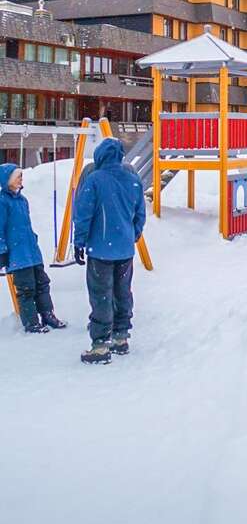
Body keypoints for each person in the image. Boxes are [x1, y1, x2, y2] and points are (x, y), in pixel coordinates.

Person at [73, 137, 146, 365]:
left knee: (101, 294)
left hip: (101, 249)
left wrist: (79, 242)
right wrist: (132, 234)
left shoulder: (94, 180)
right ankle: (121, 337)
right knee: (123, 292)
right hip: (125, 249)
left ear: (100, 156)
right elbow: (140, 213)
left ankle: (100, 344)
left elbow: (83, 214)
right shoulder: (132, 179)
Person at [0, 163, 67, 333]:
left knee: (42, 284)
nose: (21, 179)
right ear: (8, 180)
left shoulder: (22, 201)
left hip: (32, 252)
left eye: (21, 176)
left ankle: (48, 315)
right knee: (26, 289)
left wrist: (34, 239)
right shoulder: (2, 202)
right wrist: (2, 251)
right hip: (17, 254)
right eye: (17, 176)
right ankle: (31, 323)